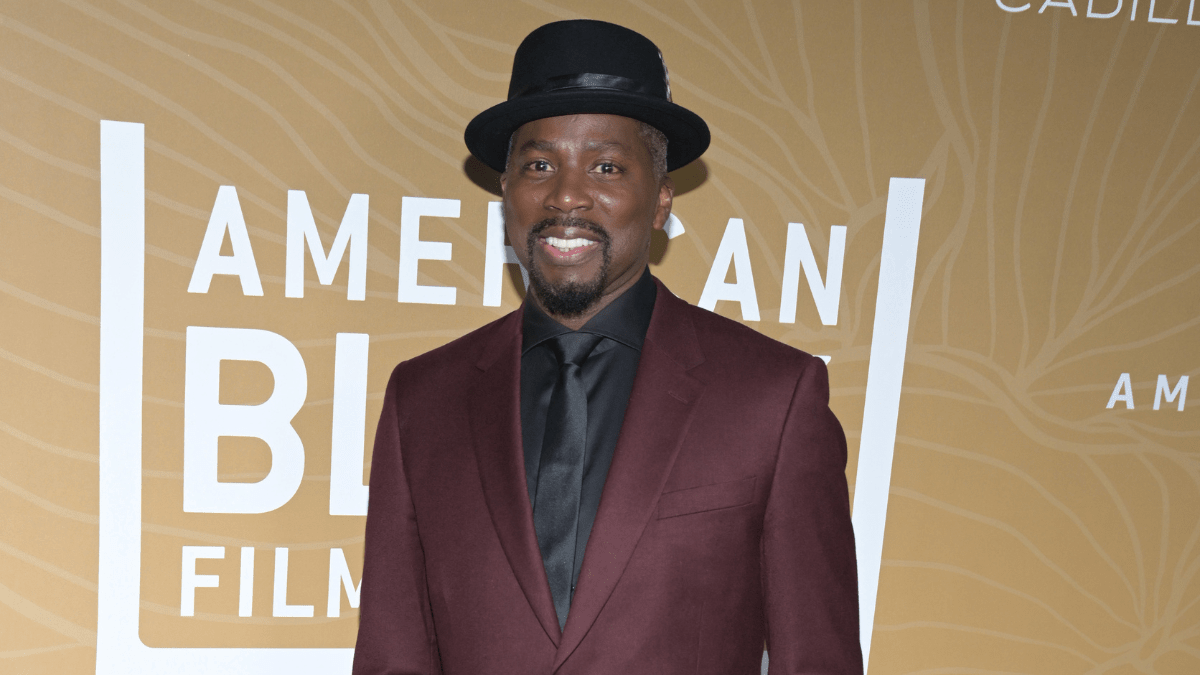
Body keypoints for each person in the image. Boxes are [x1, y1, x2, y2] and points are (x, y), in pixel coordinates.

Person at [353, 19, 862, 675]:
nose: (567, 195)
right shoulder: (422, 400)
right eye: (539, 165)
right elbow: (393, 658)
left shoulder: (773, 397)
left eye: (606, 166)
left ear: (661, 201)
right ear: (506, 194)